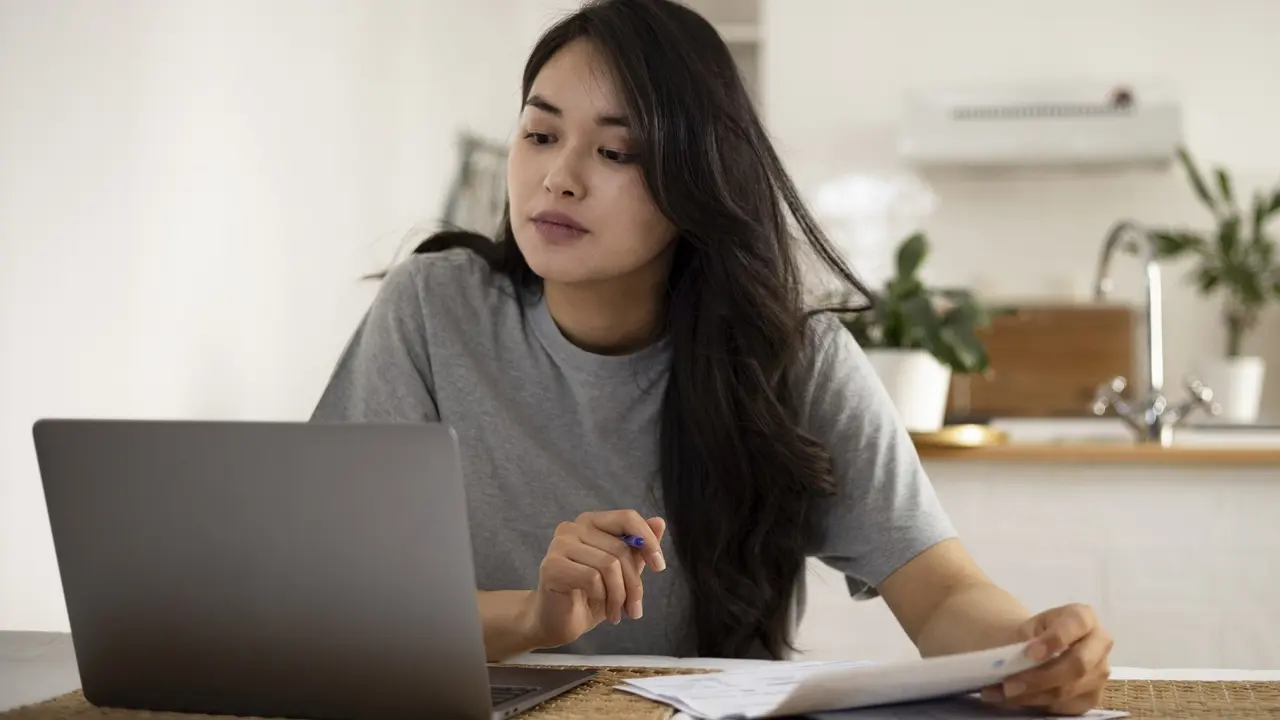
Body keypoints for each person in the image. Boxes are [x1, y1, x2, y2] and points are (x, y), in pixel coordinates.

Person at [311, 0, 1114, 714]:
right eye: (541, 133)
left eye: (616, 153)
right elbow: (338, 595)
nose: (558, 177)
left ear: (696, 181)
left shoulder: (794, 361)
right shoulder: (432, 308)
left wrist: (1033, 648)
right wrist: (534, 618)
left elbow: (940, 597)